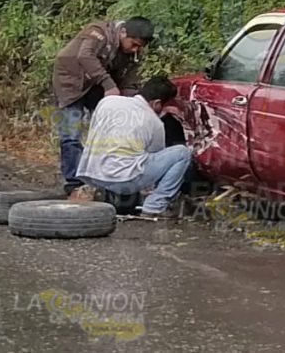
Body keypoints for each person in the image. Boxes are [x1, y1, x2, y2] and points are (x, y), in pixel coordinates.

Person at [52, 17, 154, 197]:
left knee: (109, 131)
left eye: (139, 47)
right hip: (70, 82)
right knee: (71, 134)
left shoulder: (133, 52)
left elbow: (129, 80)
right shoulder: (98, 32)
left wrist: (133, 102)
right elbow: (85, 55)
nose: (136, 49)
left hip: (96, 85)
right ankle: (74, 183)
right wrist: (108, 84)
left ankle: (104, 177)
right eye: (134, 44)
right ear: (123, 33)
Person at [73, 76, 192, 220]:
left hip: (92, 173)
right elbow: (154, 158)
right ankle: (154, 207)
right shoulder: (155, 123)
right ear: (157, 103)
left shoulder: (107, 102)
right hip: (124, 180)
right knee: (182, 153)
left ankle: (100, 191)